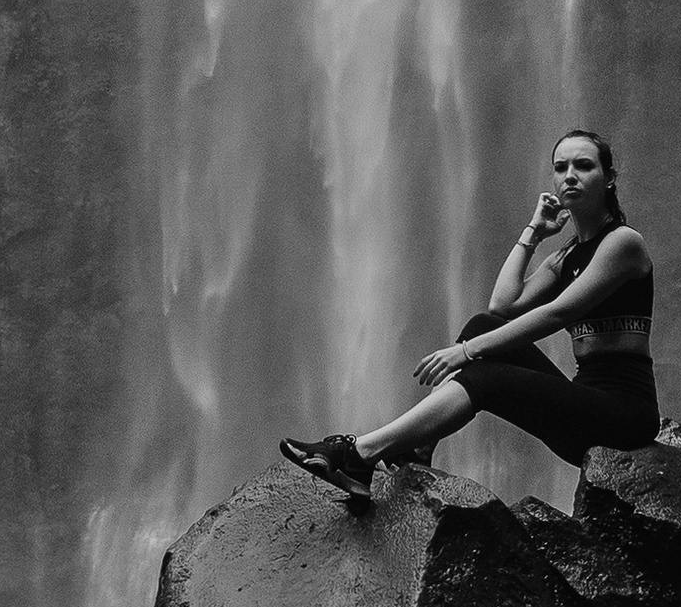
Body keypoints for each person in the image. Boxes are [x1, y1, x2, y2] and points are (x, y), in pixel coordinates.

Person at [280, 129, 658, 502]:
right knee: (482, 325)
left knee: (484, 370)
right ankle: (417, 449)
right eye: (561, 168)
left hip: (624, 417)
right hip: (582, 406)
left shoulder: (623, 243)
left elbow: (559, 313)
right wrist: (534, 232)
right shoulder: (565, 257)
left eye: (584, 166)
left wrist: (467, 352)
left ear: (608, 179)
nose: (570, 175)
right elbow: (502, 306)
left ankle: (360, 452)